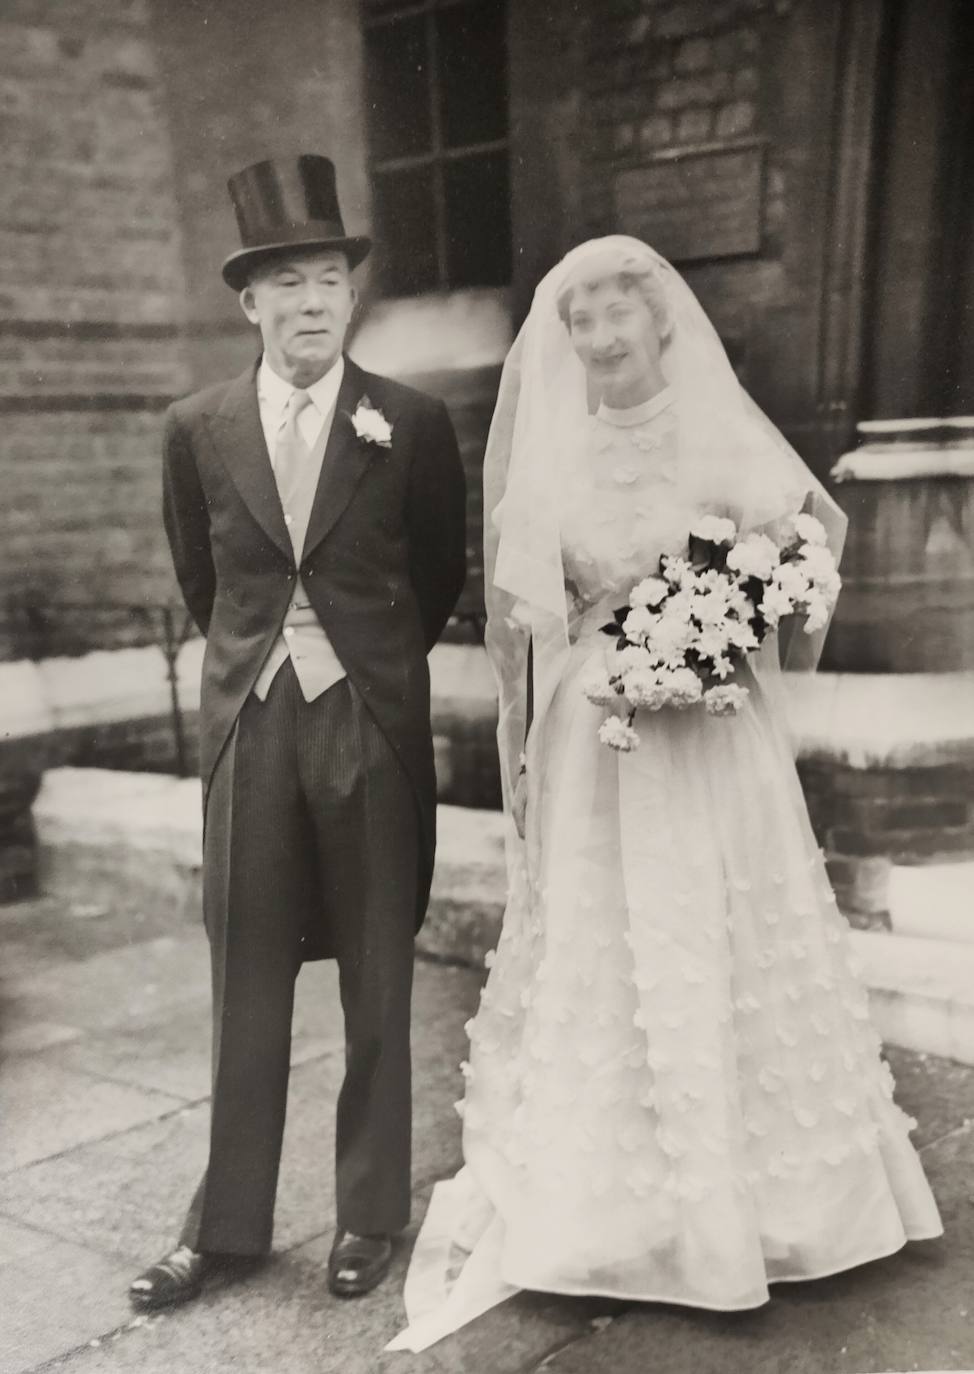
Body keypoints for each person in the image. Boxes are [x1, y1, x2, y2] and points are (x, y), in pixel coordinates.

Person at [387, 236, 941, 1352]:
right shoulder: (552, 458)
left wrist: (733, 622)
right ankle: (617, 1207)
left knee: (723, 922)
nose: (595, 338)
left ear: (658, 322)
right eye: (577, 321)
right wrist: (553, 729)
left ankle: (773, 1205)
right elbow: (528, 625)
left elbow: (804, 559)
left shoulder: (717, 435)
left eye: (612, 315)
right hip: (603, 736)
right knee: (615, 937)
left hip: (712, 732)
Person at [129, 154, 467, 1310]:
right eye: (286, 283)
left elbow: (432, 570)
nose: (311, 302)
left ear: (349, 294)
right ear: (249, 304)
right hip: (251, 725)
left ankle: (370, 1214)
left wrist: (365, 670)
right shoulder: (197, 425)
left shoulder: (408, 422)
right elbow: (199, 572)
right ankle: (224, 1228)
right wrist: (259, 666)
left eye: (327, 277)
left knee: (376, 974)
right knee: (248, 976)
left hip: (365, 717)